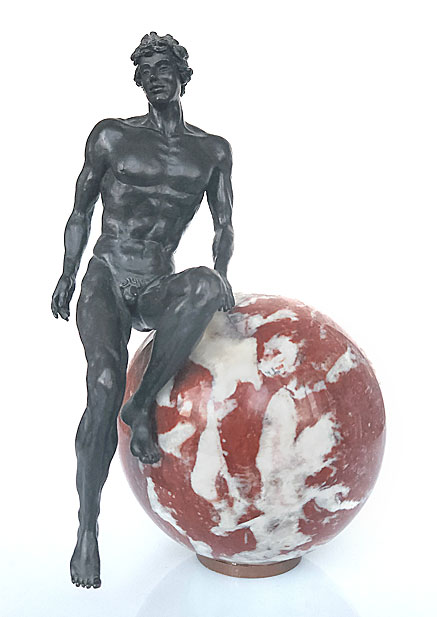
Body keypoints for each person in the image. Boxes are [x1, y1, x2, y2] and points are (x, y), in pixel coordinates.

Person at [51, 32, 234, 589]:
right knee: (103, 383)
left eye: (164, 67)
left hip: (156, 279)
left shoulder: (212, 151)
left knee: (203, 285)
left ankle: (143, 402)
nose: (155, 76)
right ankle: (87, 528)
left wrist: (222, 279)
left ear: (183, 76)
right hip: (107, 275)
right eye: (146, 70)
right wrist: (67, 272)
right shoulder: (112, 136)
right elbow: (80, 210)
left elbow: (224, 224)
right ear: (139, 81)